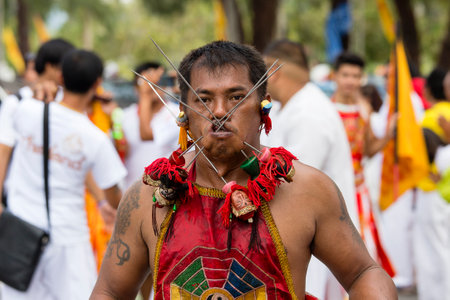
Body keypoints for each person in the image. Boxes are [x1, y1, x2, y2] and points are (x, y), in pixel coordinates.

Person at [90, 40, 396, 300]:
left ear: (264, 105)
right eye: (204, 99)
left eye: (236, 97)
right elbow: (110, 292)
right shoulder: (148, 198)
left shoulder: (307, 190)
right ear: (183, 112)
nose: (220, 111)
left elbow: (363, 272)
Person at [0, 49, 126, 300]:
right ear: (97, 83)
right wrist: (106, 201)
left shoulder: (24, 110)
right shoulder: (95, 138)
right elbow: (115, 197)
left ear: (61, 78)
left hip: (20, 233)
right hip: (69, 239)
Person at [260, 39, 358, 299]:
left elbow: (291, 182)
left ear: (274, 72)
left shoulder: (309, 113)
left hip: (316, 235)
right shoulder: (292, 107)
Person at [332, 52, 395, 279]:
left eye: (356, 76)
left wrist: (388, 135)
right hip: (333, 190)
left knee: (364, 247)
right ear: (335, 76)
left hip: (359, 191)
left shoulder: (364, 111)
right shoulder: (326, 110)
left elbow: (367, 150)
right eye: (346, 75)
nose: (350, 80)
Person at [0, 38, 75, 205]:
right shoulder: (16, 102)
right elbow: (3, 151)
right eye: (65, 66)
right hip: (20, 201)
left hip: (60, 200)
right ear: (49, 66)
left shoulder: (68, 103)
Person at [414, 68, 450, 300]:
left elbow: (420, 154)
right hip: (442, 194)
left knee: (434, 252)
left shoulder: (432, 117)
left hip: (433, 192)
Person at [122, 61, 179, 190]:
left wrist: (146, 95)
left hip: (165, 194)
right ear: (135, 88)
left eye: (156, 83)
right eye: (144, 83)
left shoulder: (177, 114)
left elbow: (146, 135)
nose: (150, 87)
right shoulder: (124, 116)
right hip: (131, 192)